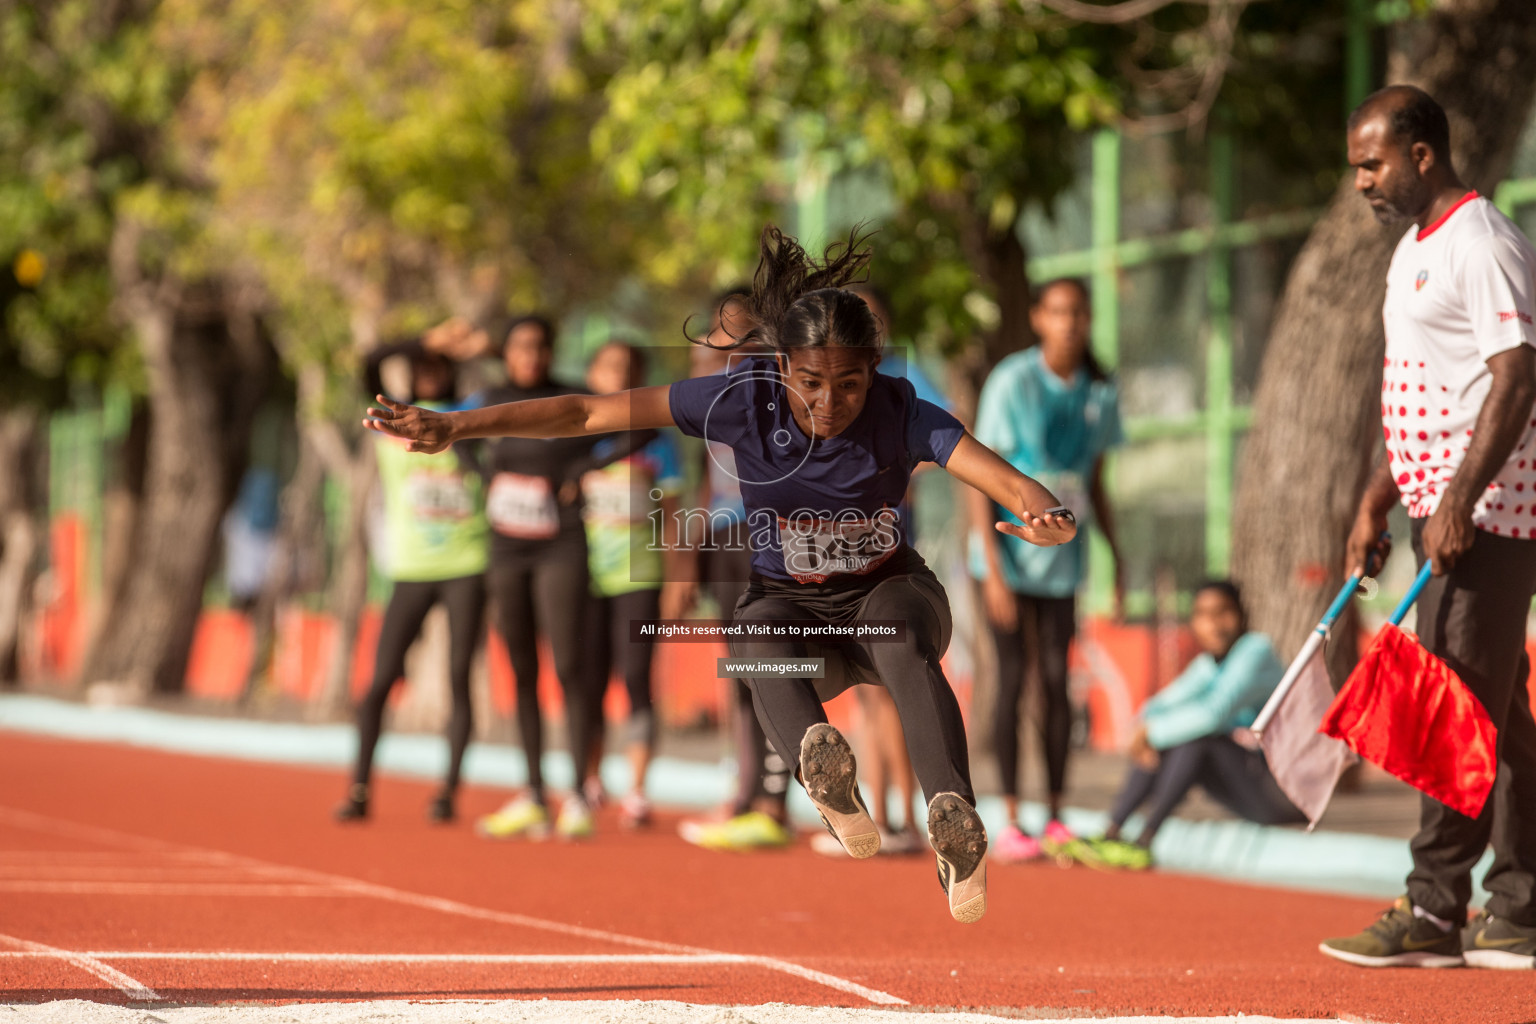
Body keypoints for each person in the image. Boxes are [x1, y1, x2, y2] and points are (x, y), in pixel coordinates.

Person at [364, 226, 1078, 923]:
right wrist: (459, 426)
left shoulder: (903, 411)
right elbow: (587, 411)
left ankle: (952, 817)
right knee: (752, 624)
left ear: (876, 370)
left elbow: (1009, 482)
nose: (829, 404)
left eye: (850, 385)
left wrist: (1050, 517)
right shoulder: (743, 400)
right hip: (793, 614)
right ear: (782, 368)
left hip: (891, 595)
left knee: (892, 632)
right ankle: (822, 772)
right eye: (810, 385)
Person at [1322, 85, 1536, 970]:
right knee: (1484, 707)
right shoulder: (1415, 248)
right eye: (1356, 168)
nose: (1363, 182)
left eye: (1372, 164)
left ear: (1421, 153)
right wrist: (1382, 497)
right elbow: (1428, 395)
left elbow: (1515, 375)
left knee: (1453, 704)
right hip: (1439, 509)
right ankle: (1510, 904)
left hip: (1487, 514)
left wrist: (1455, 503)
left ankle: (1443, 905)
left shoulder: (1482, 241)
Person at [471, 316, 651, 842]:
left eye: (540, 346)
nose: (530, 355)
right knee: (522, 668)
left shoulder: (572, 395)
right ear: (506, 353)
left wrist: (581, 471)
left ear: (550, 352)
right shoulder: (490, 398)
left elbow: (639, 425)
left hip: (562, 545)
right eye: (520, 346)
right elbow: (453, 433)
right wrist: (484, 476)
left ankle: (577, 793)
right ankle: (532, 792)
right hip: (507, 546)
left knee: (569, 664)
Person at [967, 278, 1124, 864]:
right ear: (1038, 318)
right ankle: (1010, 817)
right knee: (1010, 681)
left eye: (1079, 312)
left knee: (1056, 683)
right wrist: (993, 572)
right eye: (1058, 311)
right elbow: (978, 477)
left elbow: (1097, 482)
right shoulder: (1012, 381)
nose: (1070, 322)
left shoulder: (1100, 391)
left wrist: (1118, 558)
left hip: (1063, 561)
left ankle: (1054, 812)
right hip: (1005, 560)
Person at [337, 319, 490, 825]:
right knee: (381, 679)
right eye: (421, 365)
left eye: (438, 366)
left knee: (458, 677)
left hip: (468, 564)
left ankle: (447, 791)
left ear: (451, 373)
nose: (428, 373)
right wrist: (427, 340)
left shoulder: (471, 417)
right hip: (410, 568)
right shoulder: (394, 418)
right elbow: (369, 361)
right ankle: (359, 789)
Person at [809, 282, 941, 857]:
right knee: (870, 694)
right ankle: (889, 816)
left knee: (888, 690)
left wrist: (895, 468)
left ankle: (901, 819)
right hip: (837, 563)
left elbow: (947, 429)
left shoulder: (898, 388)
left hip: (882, 562)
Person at [1067, 581, 1303, 870]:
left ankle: (1144, 840)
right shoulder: (1209, 664)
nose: (1214, 624)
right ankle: (1112, 833)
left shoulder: (1256, 651)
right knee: (1180, 736)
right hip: (1250, 790)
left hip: (1286, 794)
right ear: (1193, 621)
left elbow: (1213, 713)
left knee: (1197, 740)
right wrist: (1143, 731)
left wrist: (1151, 733)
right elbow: (1159, 705)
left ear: (1240, 615)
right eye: (1203, 615)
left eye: (1223, 612)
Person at [677, 291, 795, 852]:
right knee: (740, 670)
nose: (730, 348)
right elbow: (704, 475)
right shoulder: (705, 392)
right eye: (719, 337)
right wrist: (689, 556)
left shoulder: (783, 383)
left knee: (775, 665)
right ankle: (746, 790)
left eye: (742, 336)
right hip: (723, 539)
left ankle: (776, 799)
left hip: (771, 535)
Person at [579, 340, 687, 829]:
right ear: (590, 375)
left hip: (638, 577)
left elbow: (673, 518)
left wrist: (677, 579)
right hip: (581, 578)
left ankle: (637, 791)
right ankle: (589, 780)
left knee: (636, 678)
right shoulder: (575, 436)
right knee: (587, 680)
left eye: (628, 370)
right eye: (608, 368)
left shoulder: (658, 443)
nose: (617, 378)